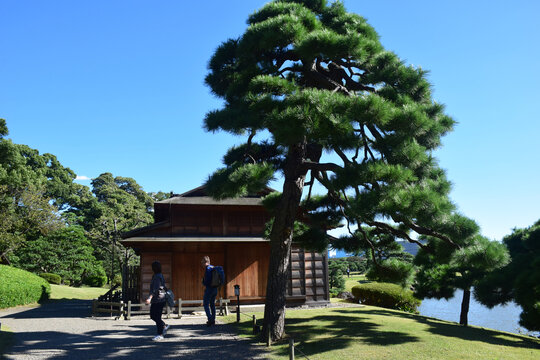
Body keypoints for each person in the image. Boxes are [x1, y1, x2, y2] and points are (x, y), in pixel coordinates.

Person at [145, 260, 170, 341]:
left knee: (156, 316)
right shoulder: (160, 275)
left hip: (158, 299)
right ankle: (164, 326)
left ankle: (160, 334)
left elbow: (155, 289)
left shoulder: (156, 277)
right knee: (154, 316)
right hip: (160, 299)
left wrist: (149, 298)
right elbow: (162, 287)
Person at [201, 255, 218, 326]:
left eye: (202, 262)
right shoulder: (213, 267)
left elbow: (207, 281)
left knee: (205, 304)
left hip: (209, 289)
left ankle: (210, 319)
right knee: (212, 304)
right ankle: (213, 319)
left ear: (205, 262)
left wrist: (203, 282)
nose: (201, 264)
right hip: (215, 289)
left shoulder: (208, 269)